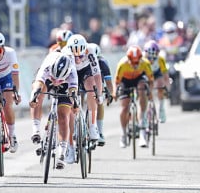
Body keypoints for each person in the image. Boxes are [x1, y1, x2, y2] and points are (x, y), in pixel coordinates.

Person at [29, 52, 78, 170]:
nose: (56, 82)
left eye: (59, 80)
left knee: (63, 116)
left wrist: (75, 104)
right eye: (54, 79)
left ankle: (62, 152)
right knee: (38, 96)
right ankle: (35, 130)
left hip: (66, 85)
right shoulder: (47, 66)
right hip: (47, 79)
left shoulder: (72, 73)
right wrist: (33, 97)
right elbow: (38, 84)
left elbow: (73, 92)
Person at [61, 34, 103, 164]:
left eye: (81, 55)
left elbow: (97, 75)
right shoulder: (65, 53)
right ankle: (70, 147)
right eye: (75, 56)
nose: (78, 58)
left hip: (86, 72)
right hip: (70, 73)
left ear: (85, 50)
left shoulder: (90, 51)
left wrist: (99, 95)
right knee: (70, 106)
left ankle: (92, 125)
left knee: (91, 86)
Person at [113, 45, 154, 148]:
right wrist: (114, 93)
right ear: (128, 59)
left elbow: (151, 80)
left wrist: (150, 92)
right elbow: (116, 82)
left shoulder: (145, 63)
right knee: (124, 107)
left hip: (138, 79)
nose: (135, 64)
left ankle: (142, 128)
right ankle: (123, 133)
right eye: (133, 62)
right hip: (125, 81)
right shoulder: (122, 64)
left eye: (137, 62)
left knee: (142, 88)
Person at [143, 40, 170, 123]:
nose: (151, 61)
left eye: (154, 58)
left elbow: (165, 75)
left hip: (157, 73)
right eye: (149, 58)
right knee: (146, 90)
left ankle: (161, 109)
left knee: (160, 85)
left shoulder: (160, 59)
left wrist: (167, 87)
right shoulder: (142, 59)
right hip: (146, 73)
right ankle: (146, 110)